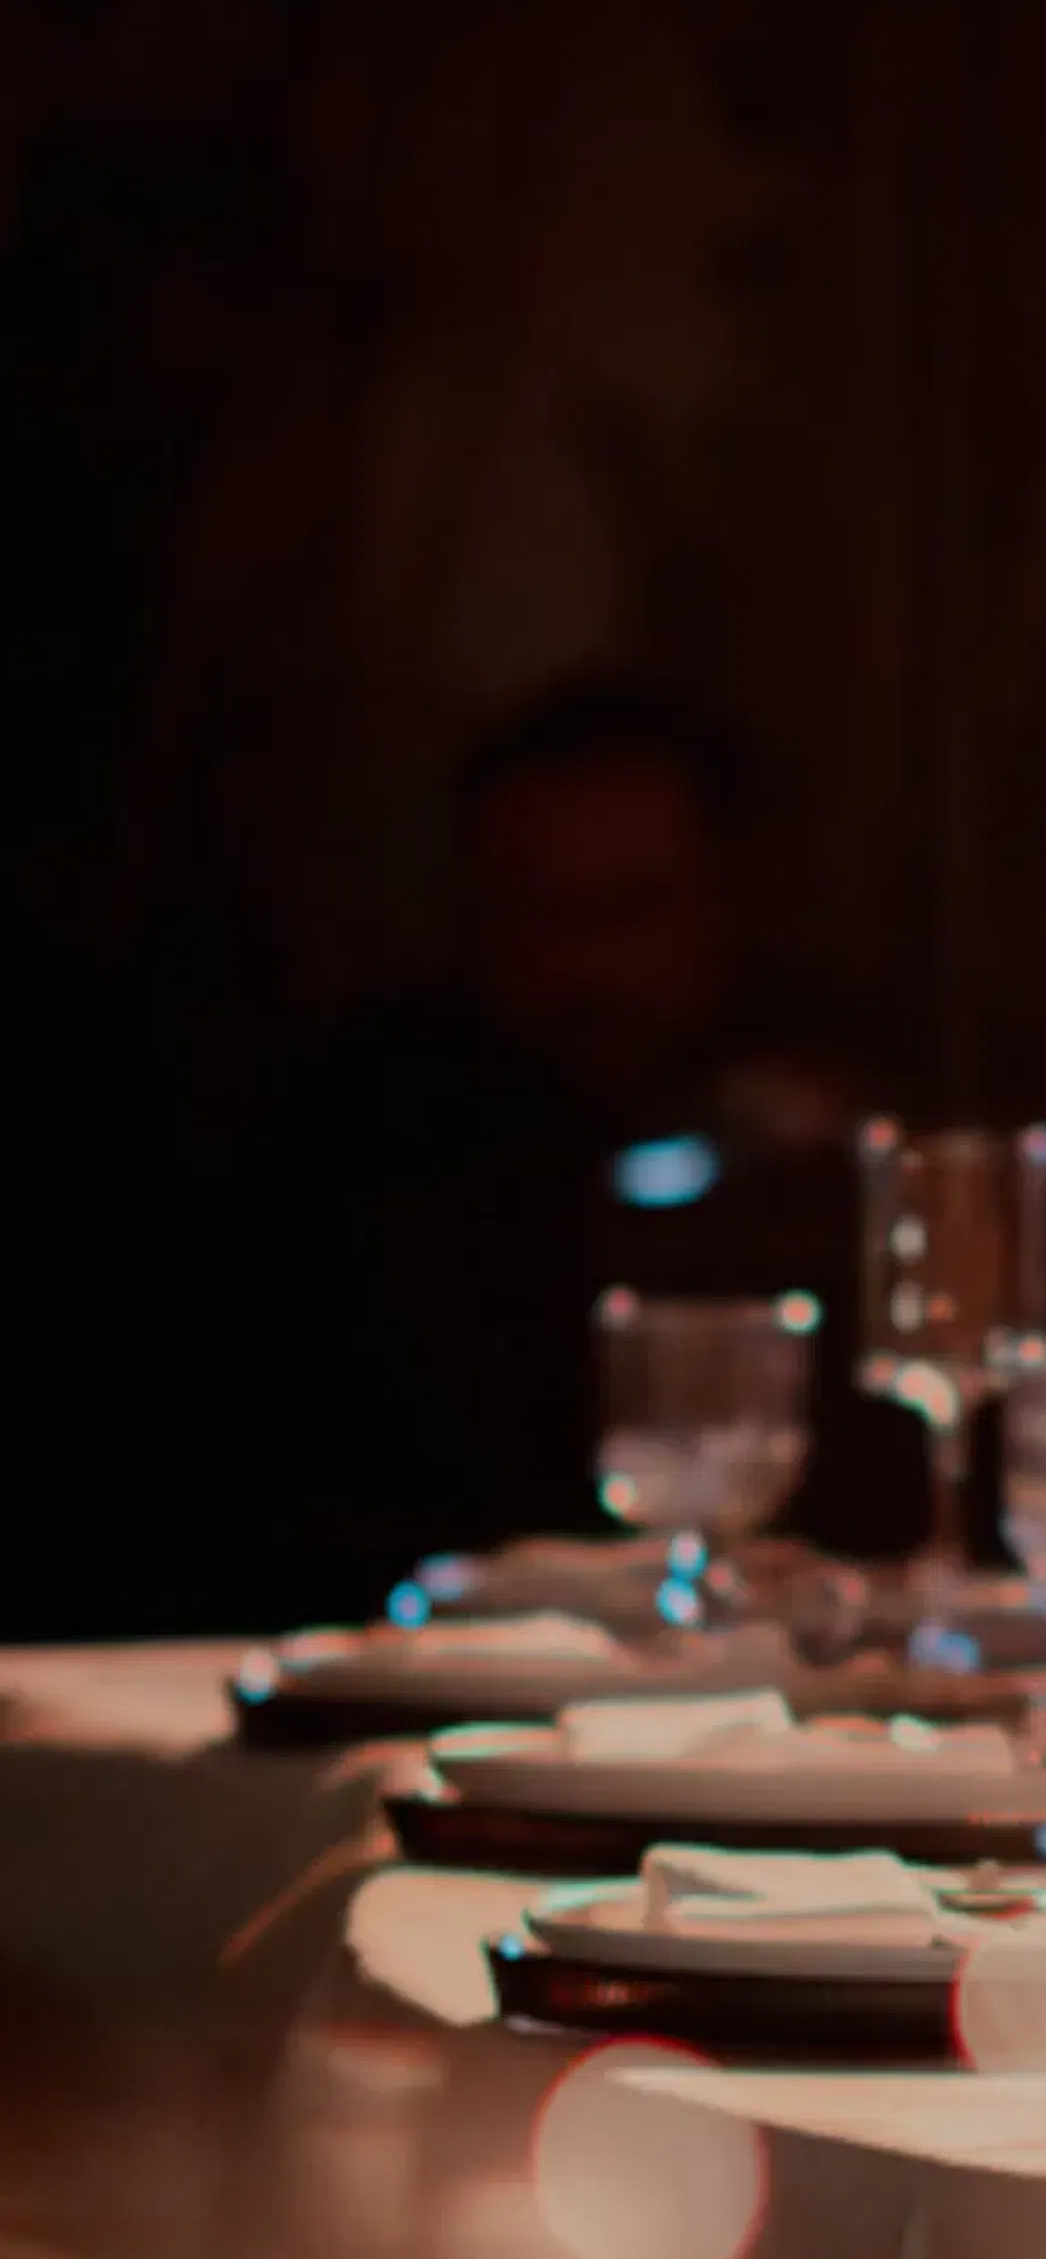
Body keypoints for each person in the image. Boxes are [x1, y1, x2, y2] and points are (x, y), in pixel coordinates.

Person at [246, 677, 876, 1623]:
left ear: (738, 900)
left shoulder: (841, 1131)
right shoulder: (357, 1144)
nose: (582, 964)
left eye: (630, 910)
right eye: (531, 911)